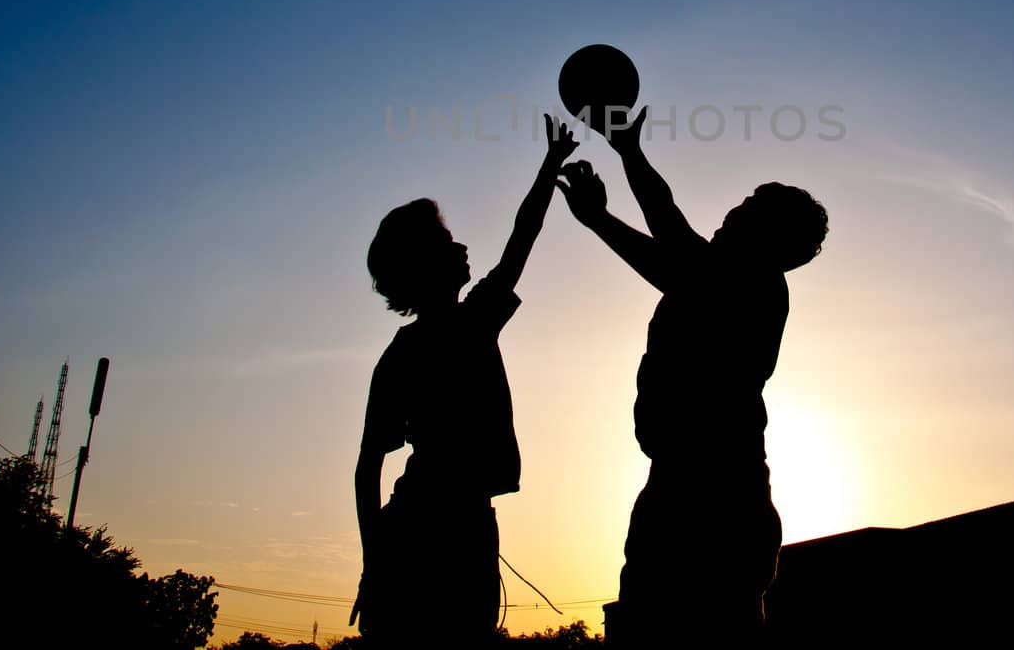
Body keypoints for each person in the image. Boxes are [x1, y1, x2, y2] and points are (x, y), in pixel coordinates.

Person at [555, 107, 828, 647]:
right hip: (684, 486)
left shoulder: (755, 286)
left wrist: (629, 151)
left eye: (751, 210)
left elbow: (670, 231)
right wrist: (598, 220)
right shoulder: (710, 283)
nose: (734, 209)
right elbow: (665, 262)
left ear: (771, 241)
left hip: (716, 499)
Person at [353, 116, 578, 646]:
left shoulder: (431, 339)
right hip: (437, 527)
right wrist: (378, 563)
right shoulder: (452, 332)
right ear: (423, 264)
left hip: (448, 522)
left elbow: (368, 466)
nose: (462, 247)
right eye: (447, 241)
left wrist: (375, 558)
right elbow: (368, 464)